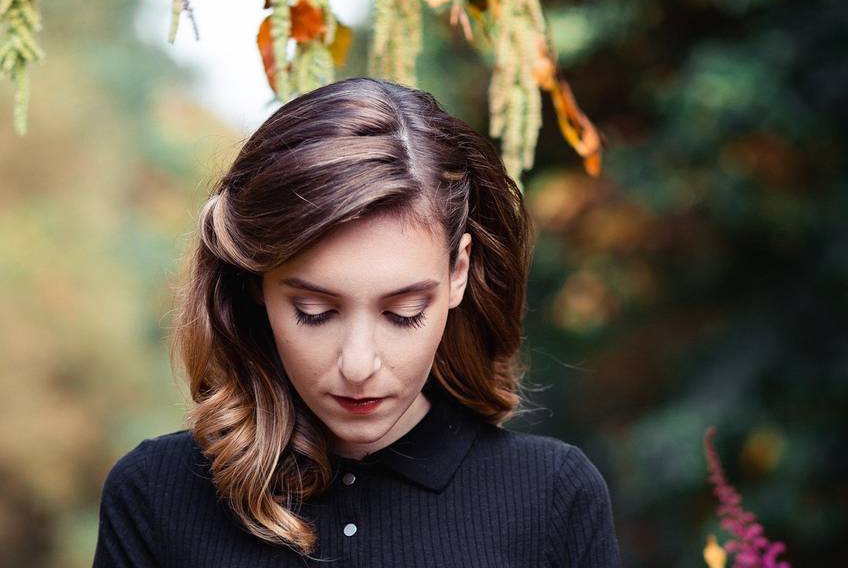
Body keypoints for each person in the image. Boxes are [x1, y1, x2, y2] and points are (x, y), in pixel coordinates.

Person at [91, 77, 623, 567]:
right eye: (315, 313)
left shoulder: (553, 496)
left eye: (403, 313)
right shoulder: (153, 495)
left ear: (458, 272)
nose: (359, 365)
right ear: (255, 282)